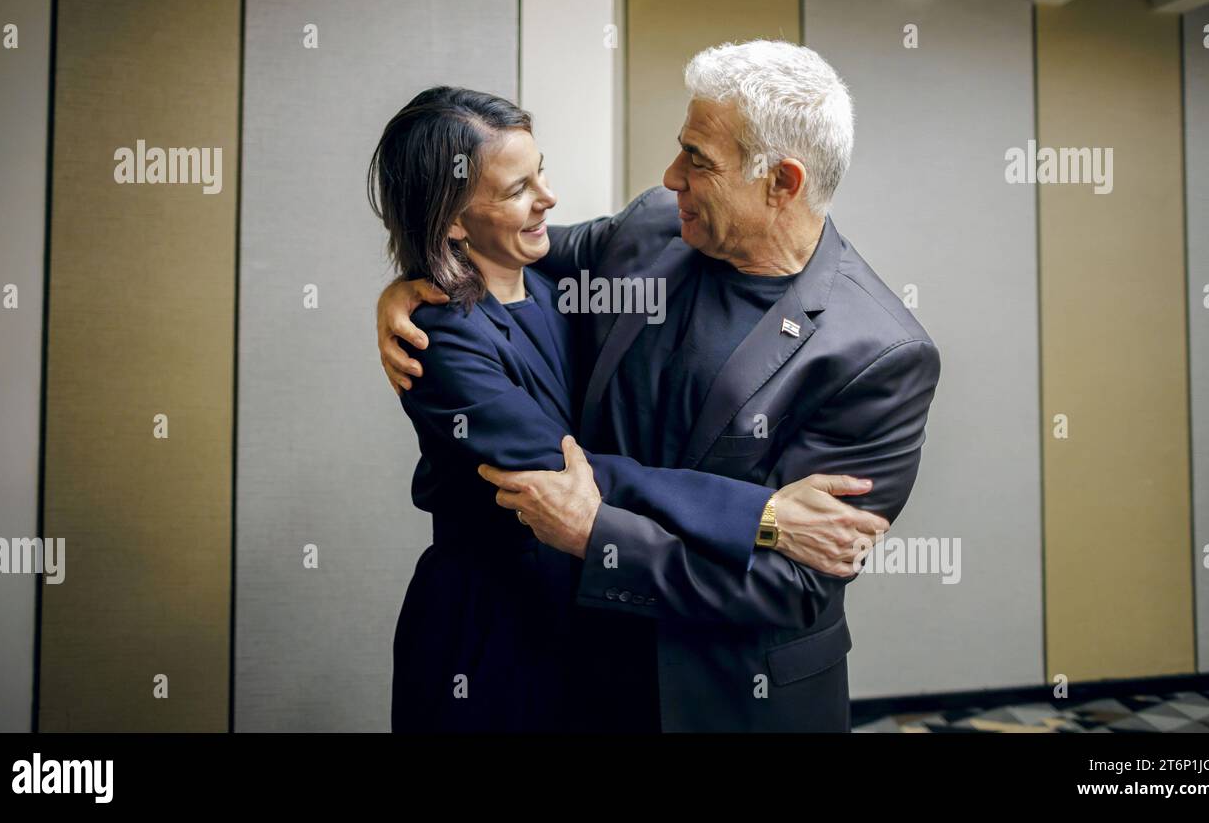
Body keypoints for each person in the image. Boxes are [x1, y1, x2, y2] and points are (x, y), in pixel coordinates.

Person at [379, 41, 942, 732]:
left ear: (782, 183)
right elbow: (501, 246)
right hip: (573, 669)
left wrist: (597, 534)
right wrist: (411, 286)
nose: (671, 175)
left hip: (731, 697)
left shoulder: (881, 353)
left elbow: (793, 582)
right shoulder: (653, 228)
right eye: (681, 148)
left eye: (698, 161)